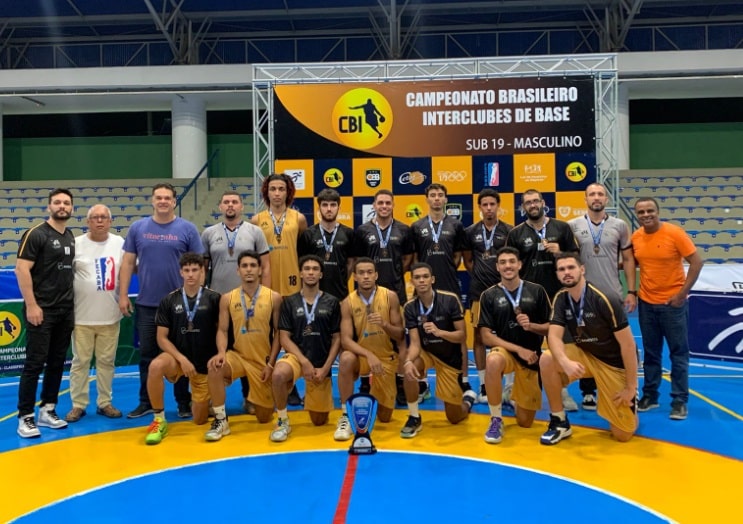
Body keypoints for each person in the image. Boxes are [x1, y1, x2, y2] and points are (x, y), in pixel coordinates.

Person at [119, 183, 204, 420]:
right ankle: (146, 402)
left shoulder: (187, 229)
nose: (163, 201)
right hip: (147, 304)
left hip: (181, 305)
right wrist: (123, 294)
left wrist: (198, 297)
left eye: (168, 197)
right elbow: (127, 263)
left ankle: (183, 402)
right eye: (159, 197)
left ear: (174, 201)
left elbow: (199, 265)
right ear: (152, 200)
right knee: (147, 355)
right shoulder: (138, 228)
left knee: (181, 354)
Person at [539, 252, 638, 445]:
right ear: (557, 274)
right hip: (586, 354)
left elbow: (628, 345)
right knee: (547, 359)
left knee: (622, 435)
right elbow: (554, 335)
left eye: (571, 268)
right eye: (561, 269)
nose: (566, 272)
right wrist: (565, 361)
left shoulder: (604, 298)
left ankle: (634, 397)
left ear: (582, 270)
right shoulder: (561, 298)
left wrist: (630, 387)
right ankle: (559, 421)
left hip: (613, 363)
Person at [506, 188, 581, 411]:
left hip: (559, 296)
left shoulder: (562, 228)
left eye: (535, 201)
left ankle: (562, 390)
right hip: (529, 298)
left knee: (559, 345)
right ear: (523, 207)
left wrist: (560, 252)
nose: (532, 205)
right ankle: (518, 390)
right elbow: (510, 264)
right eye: (527, 202)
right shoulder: (516, 233)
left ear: (543, 202)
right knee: (527, 344)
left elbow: (576, 259)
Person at [632, 197, 703, 420]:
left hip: (673, 305)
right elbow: (631, 263)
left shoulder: (675, 233)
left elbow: (697, 262)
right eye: (641, 212)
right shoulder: (636, 237)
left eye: (650, 210)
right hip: (646, 304)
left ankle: (679, 400)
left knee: (678, 354)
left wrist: (681, 294)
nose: (646, 215)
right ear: (637, 215)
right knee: (651, 354)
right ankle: (650, 396)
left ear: (658, 211)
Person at [568, 183, 637, 410]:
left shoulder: (620, 225)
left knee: (619, 345)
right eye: (592, 194)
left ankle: (626, 388)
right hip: (584, 296)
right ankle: (588, 391)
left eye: (600, 194)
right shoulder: (573, 226)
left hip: (613, 295)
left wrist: (631, 291)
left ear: (606, 199)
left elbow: (628, 259)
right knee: (587, 342)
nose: (596, 198)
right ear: (585, 198)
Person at [201, 190, 271, 415]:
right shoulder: (209, 233)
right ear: (220, 207)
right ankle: (215, 400)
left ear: (242, 206)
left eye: (235, 202)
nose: (230, 205)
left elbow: (266, 266)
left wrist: (266, 294)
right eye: (226, 202)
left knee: (251, 349)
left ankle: (250, 397)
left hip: (251, 301)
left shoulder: (255, 231)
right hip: (219, 300)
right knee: (219, 349)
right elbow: (203, 268)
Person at [15, 188, 75, 438]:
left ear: (71, 208)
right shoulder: (36, 234)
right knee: (34, 363)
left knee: (57, 363)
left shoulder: (70, 235)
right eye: (57, 202)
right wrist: (32, 305)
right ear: (49, 206)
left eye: (67, 203)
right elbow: (21, 269)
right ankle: (25, 416)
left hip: (65, 311)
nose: (62, 206)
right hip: (42, 311)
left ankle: (48, 410)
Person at [204, 250, 282, 442]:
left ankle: (259, 399)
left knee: (264, 418)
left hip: (262, 362)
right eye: (244, 266)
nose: (248, 270)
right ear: (238, 270)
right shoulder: (227, 298)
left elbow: (279, 334)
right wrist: (221, 352)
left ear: (260, 270)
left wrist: (271, 364)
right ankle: (221, 420)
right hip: (237, 356)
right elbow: (222, 330)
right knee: (215, 367)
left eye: (253, 266)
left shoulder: (274, 297)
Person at [143, 253, 221, 445]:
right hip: (178, 361)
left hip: (203, 365)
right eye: (187, 270)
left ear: (203, 271)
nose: (191, 275)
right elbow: (161, 338)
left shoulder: (215, 299)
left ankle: (207, 402)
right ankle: (159, 420)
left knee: (199, 419)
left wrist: (220, 353)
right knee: (155, 367)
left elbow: (222, 331)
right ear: (181, 272)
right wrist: (181, 359)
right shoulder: (169, 300)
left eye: (195, 270)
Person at [477, 247, 551, 444]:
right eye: (503, 262)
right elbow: (486, 336)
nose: (507, 265)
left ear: (520, 264)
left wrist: (532, 326)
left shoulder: (537, 291)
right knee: (493, 360)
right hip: (507, 352)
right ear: (497, 267)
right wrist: (518, 349)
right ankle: (496, 419)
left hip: (532, 357)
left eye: (511, 261)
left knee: (525, 422)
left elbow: (551, 327)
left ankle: (511, 397)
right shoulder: (489, 295)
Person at [400, 263, 476, 438]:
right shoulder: (410, 307)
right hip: (427, 353)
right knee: (409, 366)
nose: (422, 280)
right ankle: (413, 416)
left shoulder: (449, 300)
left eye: (425, 276)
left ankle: (467, 400)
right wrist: (408, 361)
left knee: (454, 417)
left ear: (432, 279)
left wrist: (439, 332)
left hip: (449, 358)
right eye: (417, 277)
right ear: (412, 281)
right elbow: (415, 344)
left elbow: (462, 336)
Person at [270, 255, 341, 442]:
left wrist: (326, 367)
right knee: (278, 375)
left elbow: (337, 339)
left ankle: (316, 396)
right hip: (297, 357)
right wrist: (303, 362)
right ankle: (282, 420)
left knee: (319, 421)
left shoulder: (332, 302)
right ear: (300, 273)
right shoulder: (290, 302)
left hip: (322, 360)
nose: (311, 272)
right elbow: (284, 337)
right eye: (307, 269)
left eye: (315, 269)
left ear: (321, 274)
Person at [65, 204, 125, 423]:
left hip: (110, 317)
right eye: (95, 217)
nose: (99, 221)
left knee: (107, 362)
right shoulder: (75, 244)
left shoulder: (119, 243)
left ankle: (104, 403)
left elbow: (130, 270)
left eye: (104, 217)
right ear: (88, 221)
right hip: (81, 318)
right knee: (80, 362)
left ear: (110, 221)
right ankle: (78, 405)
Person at [352, 189, 414, 401]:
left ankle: (399, 380)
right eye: (380, 203)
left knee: (398, 339)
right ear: (374, 205)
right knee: (366, 336)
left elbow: (407, 260)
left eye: (388, 203)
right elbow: (359, 262)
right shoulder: (362, 231)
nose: (384, 206)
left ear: (393, 205)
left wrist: (394, 272)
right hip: (368, 295)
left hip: (396, 292)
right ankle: (365, 379)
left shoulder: (404, 230)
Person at [252, 173, 307, 406]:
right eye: (272, 189)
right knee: (268, 338)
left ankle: (290, 385)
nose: (277, 193)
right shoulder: (256, 220)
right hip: (267, 289)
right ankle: (265, 385)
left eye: (281, 189)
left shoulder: (299, 219)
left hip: (293, 287)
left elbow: (303, 253)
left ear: (288, 192)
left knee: (290, 338)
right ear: (267, 192)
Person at [335, 258, 405, 441]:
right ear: (355, 277)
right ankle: (345, 415)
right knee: (346, 358)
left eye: (369, 272)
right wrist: (368, 354)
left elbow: (400, 334)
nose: (366, 276)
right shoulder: (347, 303)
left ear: (376, 275)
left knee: (385, 417)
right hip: (362, 357)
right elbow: (345, 341)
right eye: (361, 273)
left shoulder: (390, 296)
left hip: (386, 357)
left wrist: (385, 325)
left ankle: (372, 395)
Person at [411, 183, 467, 400]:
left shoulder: (456, 225)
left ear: (445, 199)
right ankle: (422, 383)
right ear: (427, 199)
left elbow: (458, 256)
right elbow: (415, 259)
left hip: (449, 286)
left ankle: (461, 379)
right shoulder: (417, 226)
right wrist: (422, 279)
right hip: (424, 290)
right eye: (432, 195)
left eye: (440, 195)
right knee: (423, 334)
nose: (436, 199)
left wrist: (445, 270)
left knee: (457, 336)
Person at [462, 188, 512, 404]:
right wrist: (482, 277)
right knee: (480, 338)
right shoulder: (470, 231)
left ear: (498, 206)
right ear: (480, 207)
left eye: (493, 204)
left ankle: (509, 387)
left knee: (508, 336)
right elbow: (468, 261)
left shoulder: (509, 231)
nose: (489, 208)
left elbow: (511, 261)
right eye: (485, 205)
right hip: (478, 294)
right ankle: (483, 384)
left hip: (505, 292)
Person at [297, 188, 355, 301]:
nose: (329, 209)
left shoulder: (349, 233)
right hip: (313, 296)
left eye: (333, 205)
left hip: (340, 295)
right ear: (319, 208)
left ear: (339, 208)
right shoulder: (308, 234)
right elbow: (301, 264)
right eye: (325, 205)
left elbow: (351, 263)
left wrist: (341, 278)